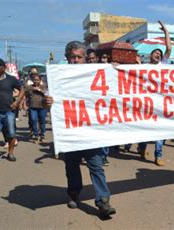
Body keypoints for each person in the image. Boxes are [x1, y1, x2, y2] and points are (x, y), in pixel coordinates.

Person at [44, 41, 116, 218]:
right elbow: (48, 98)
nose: (75, 60)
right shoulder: (58, 77)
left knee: (96, 166)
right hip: (70, 131)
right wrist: (49, 102)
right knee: (72, 166)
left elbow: (114, 91)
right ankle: (74, 194)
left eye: (79, 57)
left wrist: (115, 72)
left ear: (85, 58)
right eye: (72, 57)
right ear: (67, 58)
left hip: (91, 130)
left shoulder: (97, 74)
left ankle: (103, 201)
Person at [136, 20, 174, 166]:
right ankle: (142, 148)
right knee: (146, 130)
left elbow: (168, 48)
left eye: (159, 53)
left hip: (161, 103)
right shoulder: (143, 67)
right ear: (150, 56)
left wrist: (166, 32)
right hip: (146, 103)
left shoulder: (163, 65)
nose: (158, 54)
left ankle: (158, 155)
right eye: (155, 53)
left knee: (160, 130)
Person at [25, 73, 47, 143]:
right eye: (34, 80)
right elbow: (26, 95)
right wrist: (25, 104)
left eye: (37, 80)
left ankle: (42, 135)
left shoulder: (43, 86)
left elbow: (47, 94)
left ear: (40, 80)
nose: (36, 81)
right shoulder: (29, 87)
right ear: (32, 80)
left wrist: (39, 90)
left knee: (42, 121)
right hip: (32, 107)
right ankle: (36, 135)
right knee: (33, 120)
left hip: (42, 107)